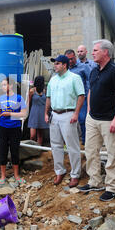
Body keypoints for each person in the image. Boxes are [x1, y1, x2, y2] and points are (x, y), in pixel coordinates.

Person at [78, 39, 115, 202]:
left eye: (95, 50)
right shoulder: (94, 70)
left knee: (113, 154)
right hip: (93, 119)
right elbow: (91, 90)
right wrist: (90, 112)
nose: (92, 53)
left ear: (105, 52)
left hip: (110, 120)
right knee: (91, 151)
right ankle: (95, 181)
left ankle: (112, 186)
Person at [45, 55, 85, 187]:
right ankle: (60, 171)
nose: (55, 66)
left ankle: (75, 174)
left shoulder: (74, 78)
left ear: (64, 65)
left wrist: (76, 113)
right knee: (55, 145)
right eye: (54, 63)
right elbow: (48, 97)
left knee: (72, 145)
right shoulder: (53, 80)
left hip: (69, 114)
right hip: (54, 115)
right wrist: (46, 113)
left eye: (57, 63)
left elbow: (81, 95)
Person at [0, 77, 27, 185]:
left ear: (11, 85)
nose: (3, 87)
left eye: (4, 84)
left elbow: (23, 114)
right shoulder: (1, 98)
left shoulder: (19, 98)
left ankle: (16, 176)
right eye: (2, 85)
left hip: (15, 128)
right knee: (2, 151)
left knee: (14, 151)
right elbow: (0, 112)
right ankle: (3, 176)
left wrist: (10, 114)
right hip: (3, 127)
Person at [65, 49, 91, 145]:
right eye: (68, 60)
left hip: (82, 98)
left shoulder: (83, 67)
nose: (70, 61)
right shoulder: (65, 69)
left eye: (72, 59)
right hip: (69, 99)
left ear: (75, 57)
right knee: (69, 120)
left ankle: (85, 142)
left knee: (83, 119)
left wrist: (88, 94)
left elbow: (90, 81)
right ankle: (72, 142)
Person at [27, 76, 47, 145]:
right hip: (34, 112)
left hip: (42, 112)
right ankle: (31, 149)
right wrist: (25, 112)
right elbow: (28, 102)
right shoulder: (32, 91)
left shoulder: (44, 91)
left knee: (40, 134)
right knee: (32, 135)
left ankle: (39, 149)